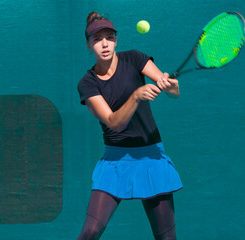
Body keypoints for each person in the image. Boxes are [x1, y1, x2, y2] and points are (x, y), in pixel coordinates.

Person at [77, 12, 183, 240]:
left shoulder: (135, 58)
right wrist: (136, 96)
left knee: (167, 238)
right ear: (89, 45)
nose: (104, 44)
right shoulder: (87, 83)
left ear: (116, 40)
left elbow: (173, 92)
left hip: (152, 159)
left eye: (109, 37)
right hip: (115, 162)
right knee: (90, 232)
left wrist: (168, 85)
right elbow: (114, 122)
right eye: (97, 39)